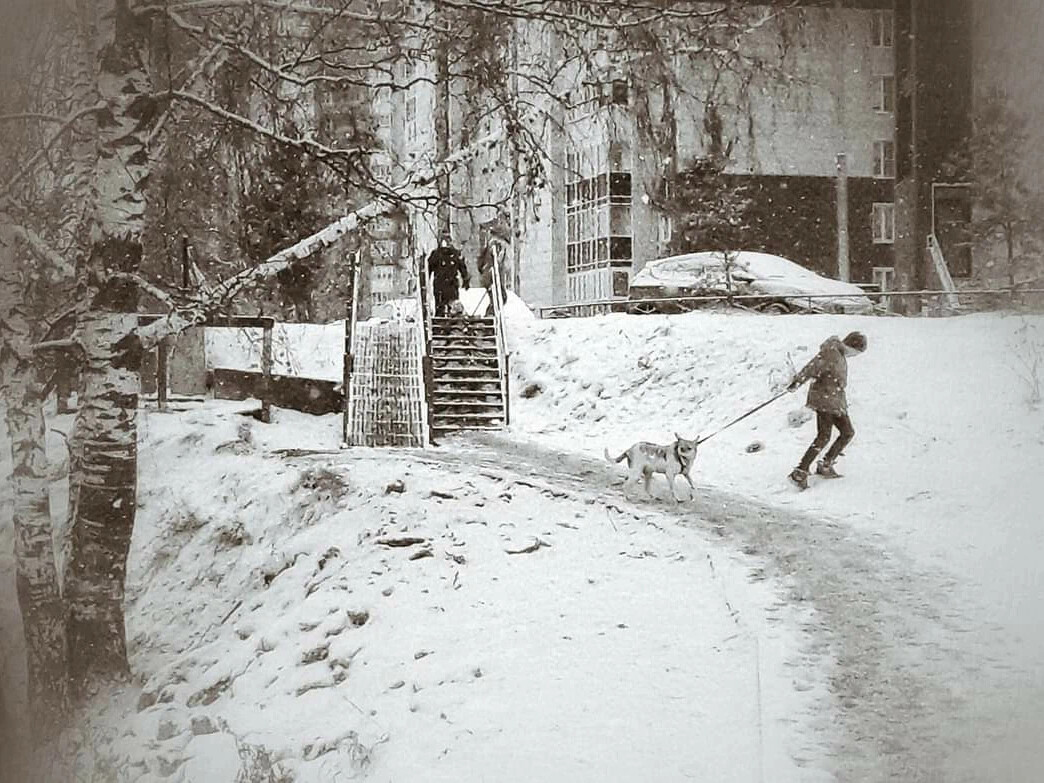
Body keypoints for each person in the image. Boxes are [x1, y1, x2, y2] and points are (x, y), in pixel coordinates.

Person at [786, 330, 867, 490]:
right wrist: (797, 382)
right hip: (824, 400)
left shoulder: (839, 354)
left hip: (835, 400)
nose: (855, 356)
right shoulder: (831, 352)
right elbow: (812, 368)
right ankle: (800, 472)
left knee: (847, 432)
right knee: (823, 436)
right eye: (856, 352)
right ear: (851, 346)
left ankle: (825, 464)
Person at [426, 233, 470, 317]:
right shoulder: (436, 254)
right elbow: (429, 267)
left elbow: (462, 267)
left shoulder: (455, 254)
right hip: (440, 284)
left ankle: (453, 318)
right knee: (440, 304)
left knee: (453, 303)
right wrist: (425, 280)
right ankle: (440, 319)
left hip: (452, 283)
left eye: (448, 240)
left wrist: (466, 279)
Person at [476, 240, 508, 316]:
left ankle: (491, 314)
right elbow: (496, 263)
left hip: (492, 278)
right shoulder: (494, 247)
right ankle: (490, 315)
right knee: (497, 298)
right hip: (491, 278)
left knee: (500, 298)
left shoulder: (492, 247)